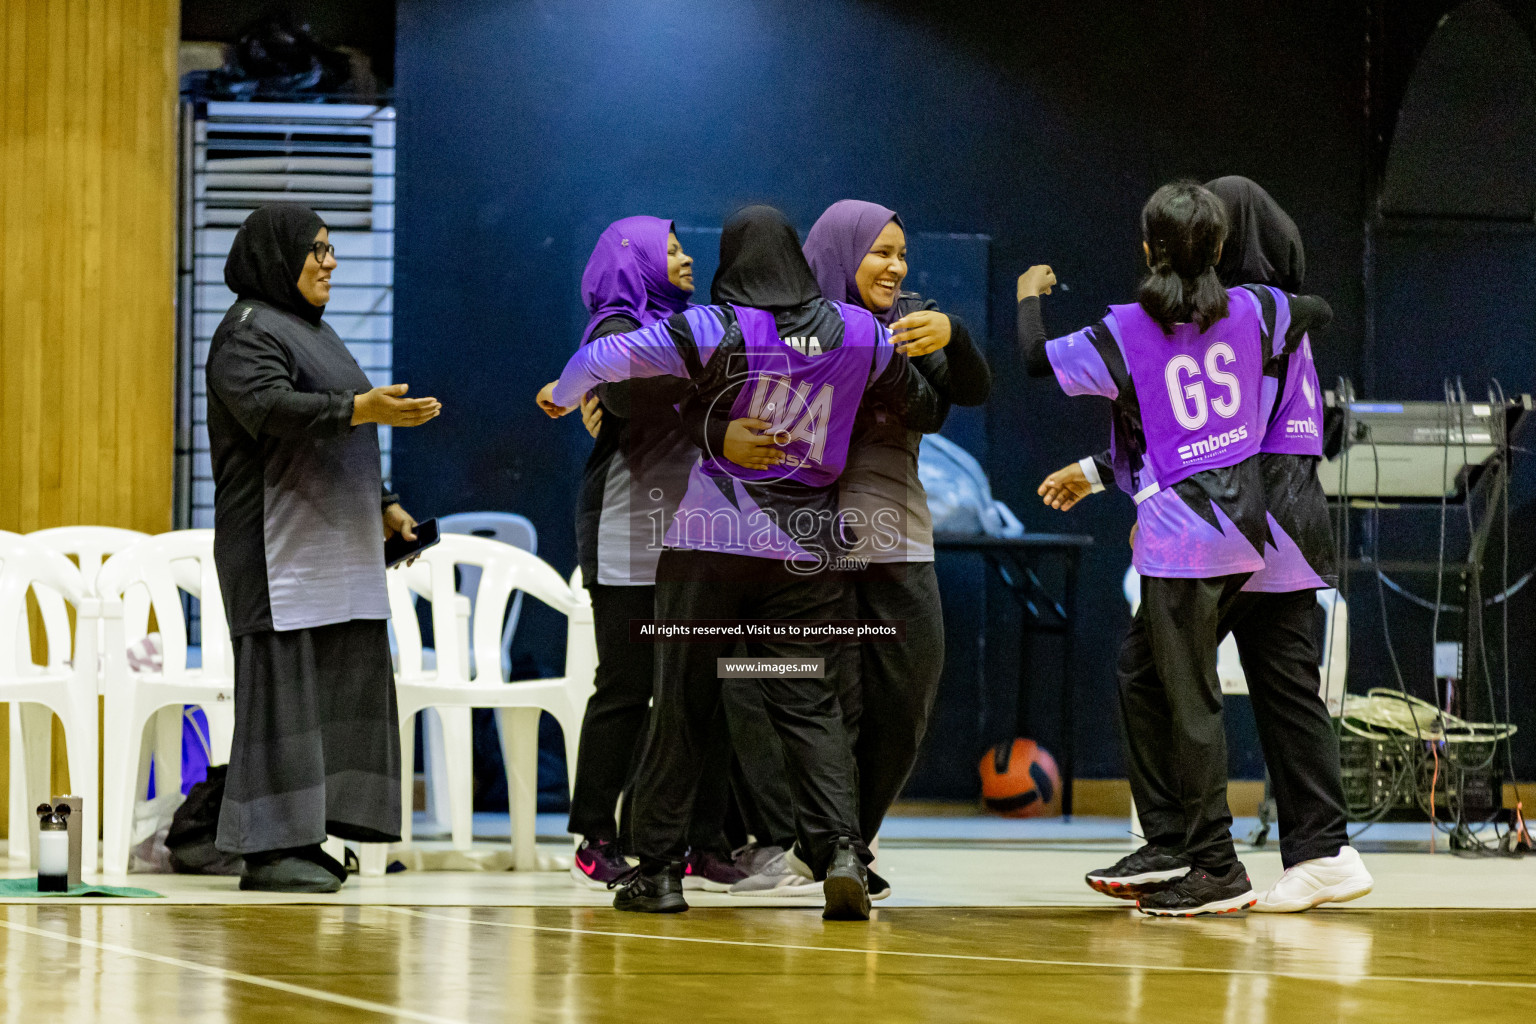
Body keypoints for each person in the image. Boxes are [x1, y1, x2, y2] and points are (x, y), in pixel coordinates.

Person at [537, 205, 945, 920]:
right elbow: (927, 406)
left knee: (685, 705)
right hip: (810, 553)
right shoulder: (861, 334)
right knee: (810, 706)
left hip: (712, 545)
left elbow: (603, 362)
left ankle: (660, 872)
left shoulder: (713, 327)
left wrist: (561, 393)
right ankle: (844, 852)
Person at [1036, 177, 1372, 913]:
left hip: (1249, 525)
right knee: (1281, 690)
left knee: (1156, 674)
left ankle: (1196, 846)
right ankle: (1319, 847)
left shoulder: (1237, 319)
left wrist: (1136, 493)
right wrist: (1103, 476)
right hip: (1286, 521)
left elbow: (1212, 441)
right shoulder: (1269, 315)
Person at [706, 200, 990, 897]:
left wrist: (954, 335)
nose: (895, 267)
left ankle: (843, 844)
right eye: (880, 254)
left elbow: (961, 396)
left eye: (902, 254)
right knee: (824, 702)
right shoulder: (790, 319)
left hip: (896, 531)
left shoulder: (909, 318)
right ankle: (830, 848)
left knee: (908, 700)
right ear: (839, 253)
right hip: (808, 538)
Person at [205, 203, 440, 893]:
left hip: (336, 542)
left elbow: (344, 427)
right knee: (281, 695)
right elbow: (271, 410)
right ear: (278, 258)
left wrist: (386, 505)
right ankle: (270, 849)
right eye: (317, 250)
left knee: (340, 689)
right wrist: (363, 409)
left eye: (332, 249)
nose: (329, 262)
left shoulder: (313, 330)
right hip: (274, 549)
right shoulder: (246, 331)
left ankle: (312, 833)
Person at [564, 216, 744, 893]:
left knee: (704, 689)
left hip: (700, 536)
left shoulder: (693, 325)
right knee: (627, 686)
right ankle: (595, 835)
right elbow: (624, 390)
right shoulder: (613, 331)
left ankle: (701, 838)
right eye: (669, 249)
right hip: (629, 536)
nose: (686, 256)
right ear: (633, 261)